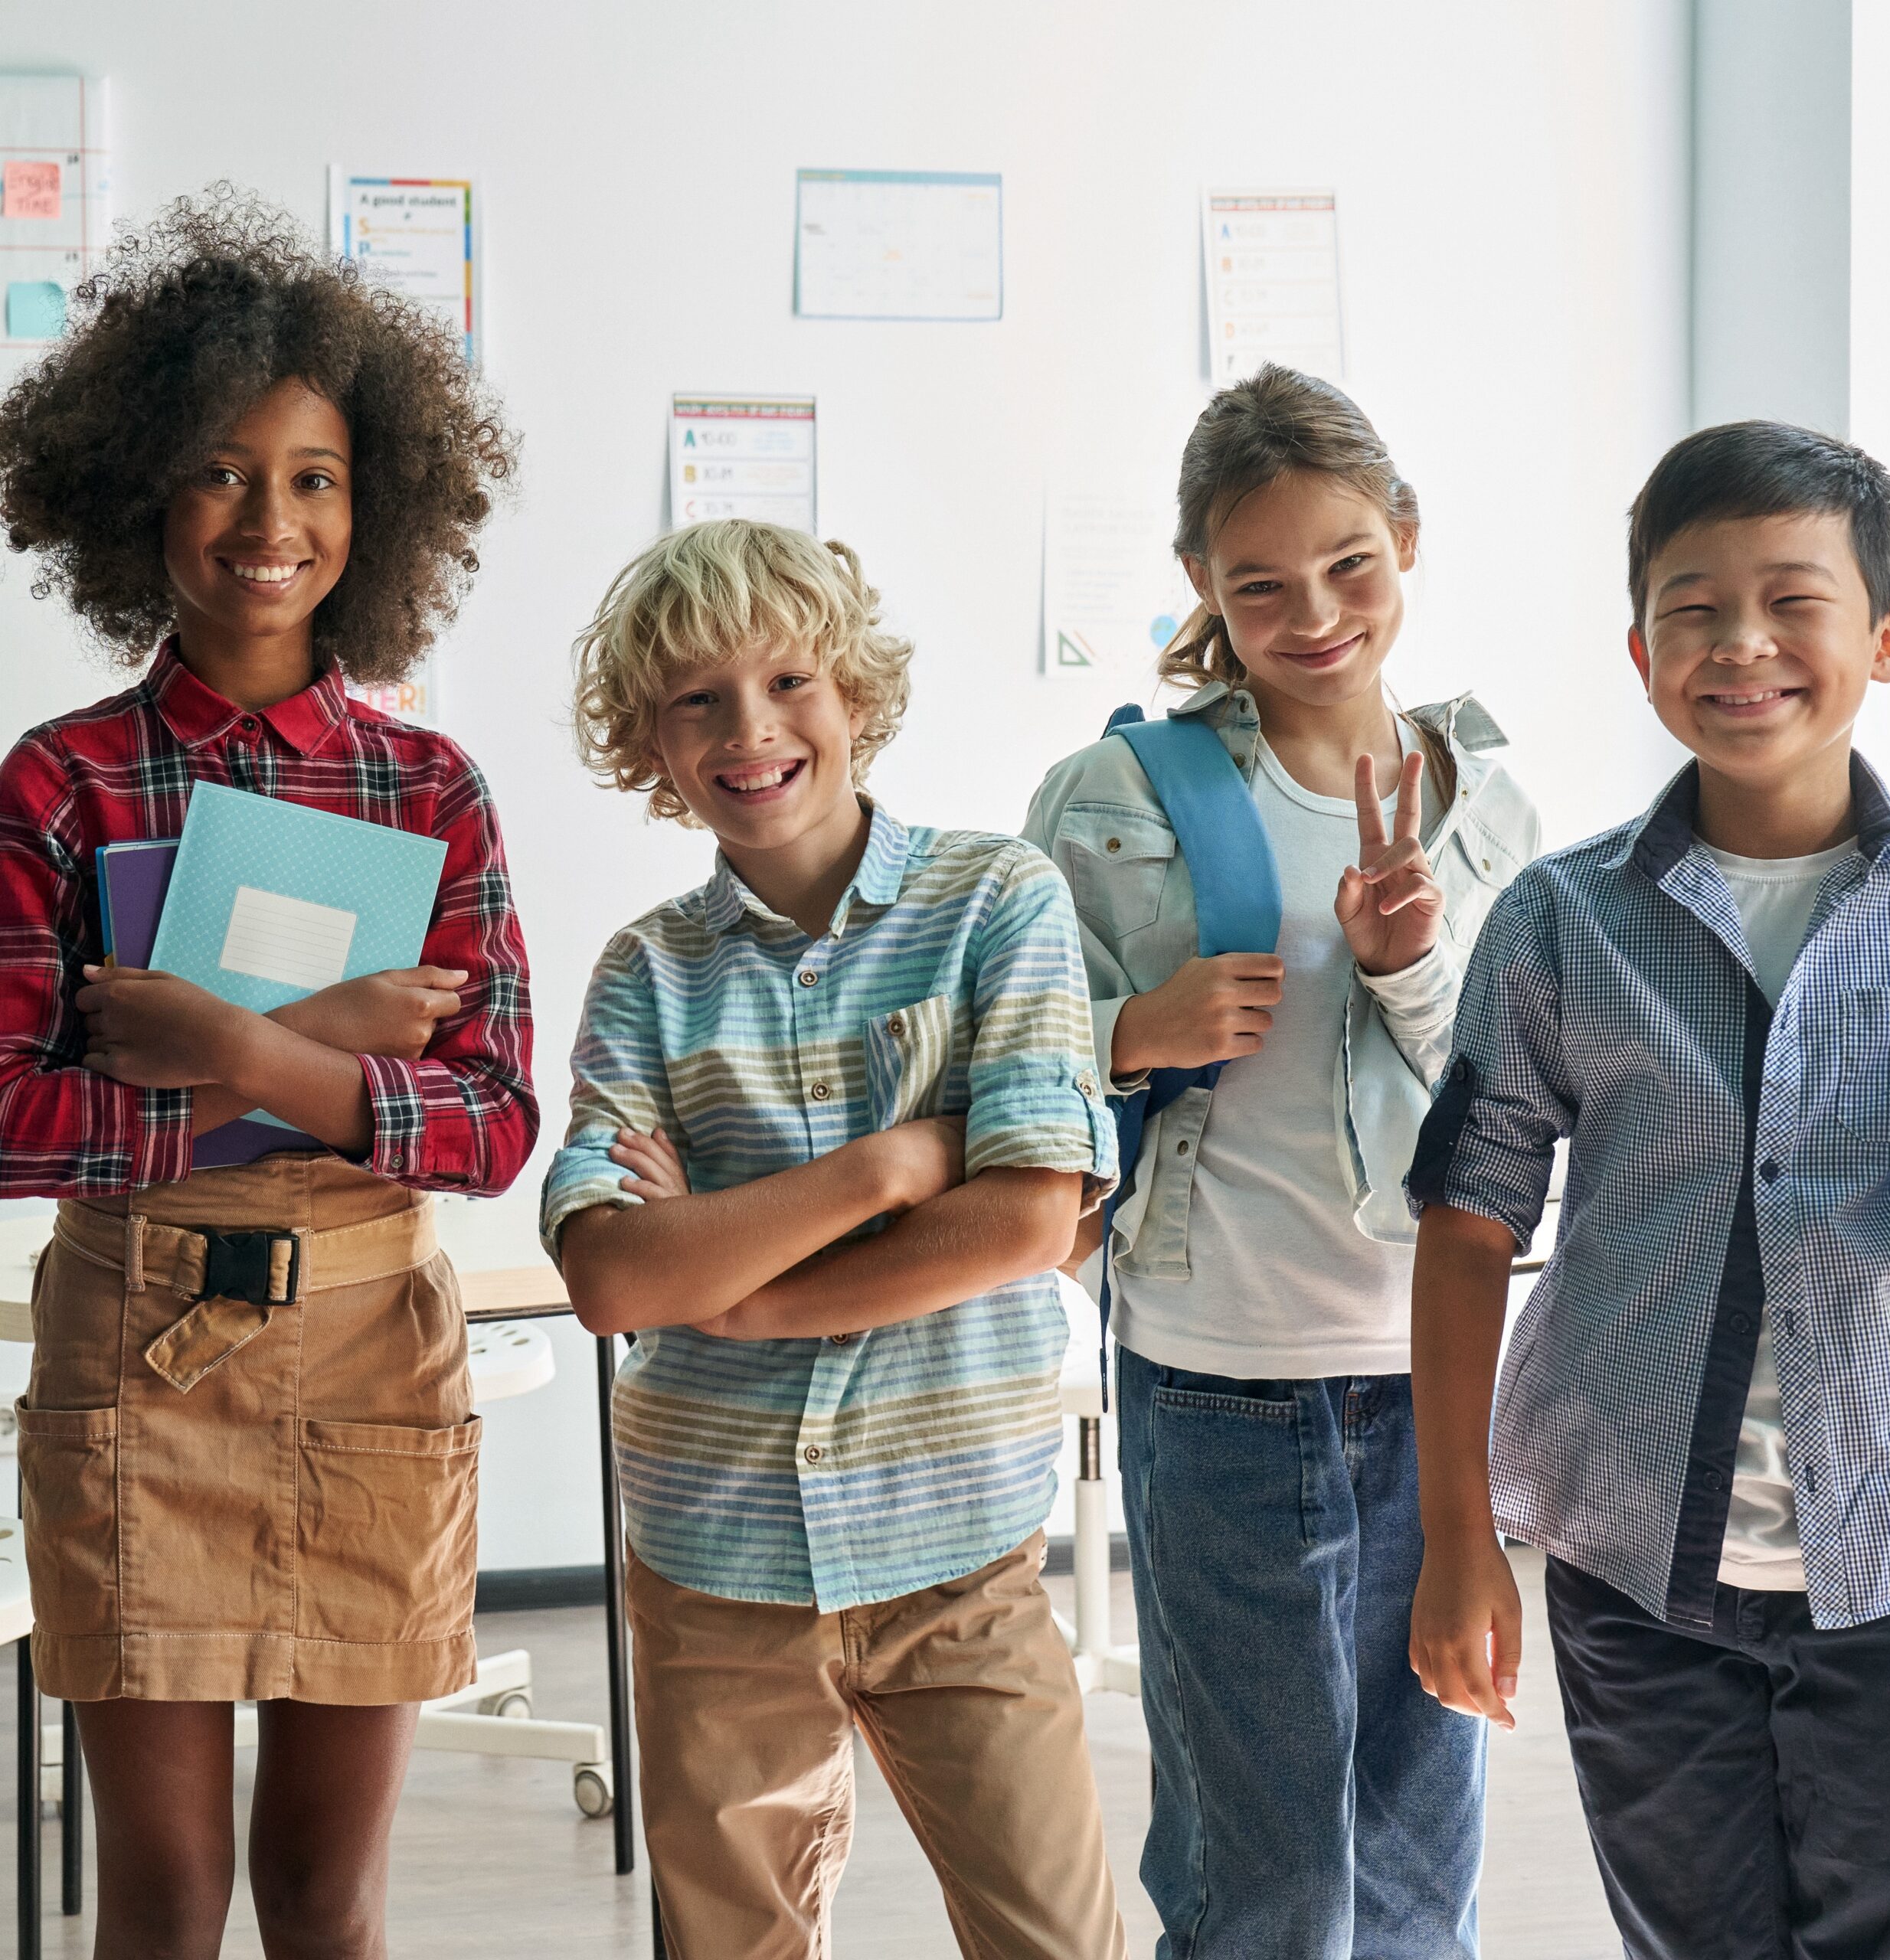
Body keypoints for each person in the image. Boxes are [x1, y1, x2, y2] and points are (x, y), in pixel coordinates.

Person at [0, 192, 536, 1958]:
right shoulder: (60, 784)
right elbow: (7, 1111)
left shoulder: (432, 786)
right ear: (137, 485)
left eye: (312, 478)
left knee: (326, 1903)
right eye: (222, 472)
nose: (268, 521)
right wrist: (328, 1048)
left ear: (371, 508)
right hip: (137, 1357)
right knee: (161, 1904)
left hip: (371, 1358)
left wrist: (233, 1044)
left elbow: (491, 1122)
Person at [1407, 420, 1890, 1959]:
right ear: (1639, 645)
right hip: (1633, 1562)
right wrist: (1458, 1540)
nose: (1740, 644)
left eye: (1792, 600)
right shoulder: (1557, 919)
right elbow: (1465, 1227)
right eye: (1690, 605)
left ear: (1887, 635)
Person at [543, 517, 1128, 1960]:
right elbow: (617, 1276)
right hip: (711, 1563)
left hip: (962, 1557)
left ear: (855, 696)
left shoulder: (1001, 901)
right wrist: (892, 1163)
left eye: (790, 681)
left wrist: (734, 1285)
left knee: (1058, 1938)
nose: (751, 730)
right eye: (697, 701)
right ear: (653, 746)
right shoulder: (643, 972)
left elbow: (1028, 1217)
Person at [1024, 364, 1538, 1959]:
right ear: (1200, 585)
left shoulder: (1484, 807)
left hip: (1428, 1377)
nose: (1311, 612)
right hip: (1213, 1377)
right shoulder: (1117, 795)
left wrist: (1402, 962)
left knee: (1413, 1867)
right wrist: (1131, 1027)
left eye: (1346, 567)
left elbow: (1507, 1107)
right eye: (1258, 583)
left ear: (1403, 540)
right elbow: (999, 1060)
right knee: (1269, 1885)